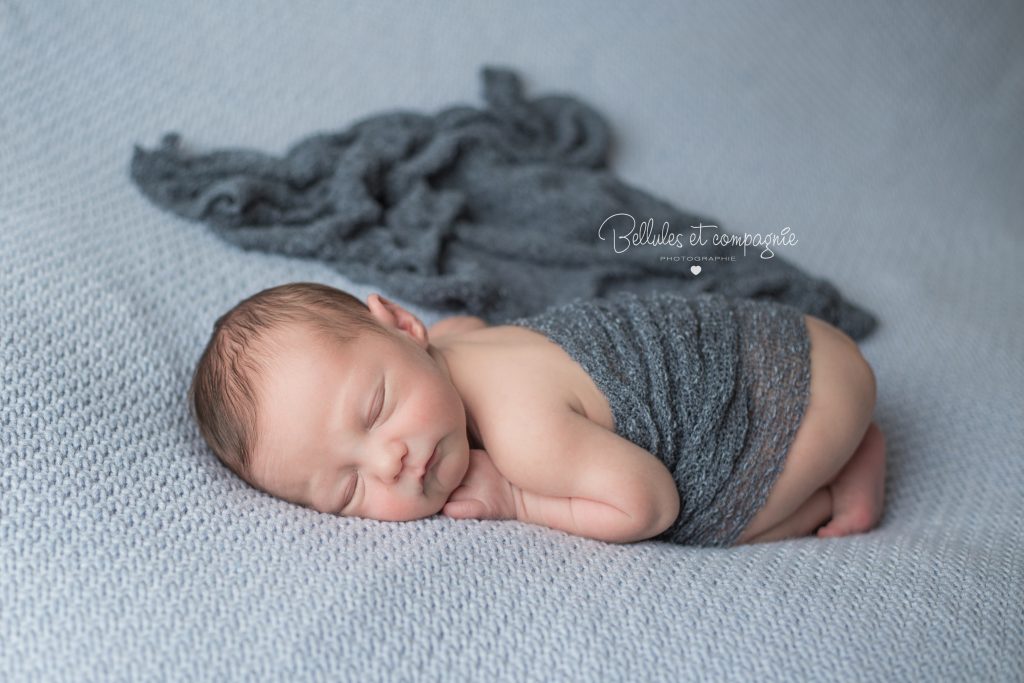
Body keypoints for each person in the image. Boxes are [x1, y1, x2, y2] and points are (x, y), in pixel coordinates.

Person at [188, 282, 886, 547]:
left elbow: (650, 504)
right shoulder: (450, 339)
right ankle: (843, 445)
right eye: (348, 488)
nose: (389, 459)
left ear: (402, 323)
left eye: (375, 409)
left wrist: (517, 497)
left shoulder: (524, 435)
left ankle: (841, 471)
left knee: (714, 519)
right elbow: (465, 320)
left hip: (803, 389)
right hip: (774, 332)